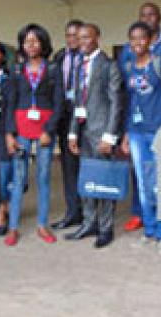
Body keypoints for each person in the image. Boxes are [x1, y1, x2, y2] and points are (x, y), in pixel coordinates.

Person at [120, 21, 161, 255]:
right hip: (136, 132)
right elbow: (129, 102)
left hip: (160, 131)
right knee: (144, 186)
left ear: (150, 41)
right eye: (133, 39)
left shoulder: (160, 63)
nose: (137, 43)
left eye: (142, 38)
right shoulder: (128, 67)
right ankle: (149, 231)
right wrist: (125, 132)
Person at [5, 23, 64, 246]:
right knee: (19, 178)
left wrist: (49, 130)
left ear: (43, 43)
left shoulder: (53, 69)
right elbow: (10, 102)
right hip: (21, 128)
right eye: (26, 41)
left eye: (35, 40)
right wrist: (10, 134)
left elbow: (58, 102)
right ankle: (13, 228)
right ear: (22, 44)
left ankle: (42, 225)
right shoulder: (16, 70)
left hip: (44, 129)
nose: (31, 45)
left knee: (43, 177)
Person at [65, 23, 124, 248]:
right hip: (83, 133)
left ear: (97, 38)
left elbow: (116, 103)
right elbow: (77, 102)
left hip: (102, 134)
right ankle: (89, 223)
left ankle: (106, 228)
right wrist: (72, 132)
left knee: (105, 181)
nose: (82, 43)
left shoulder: (110, 65)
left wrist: (110, 136)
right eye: (79, 39)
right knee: (88, 181)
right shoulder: (79, 65)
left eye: (86, 38)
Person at [51, 19, 85, 230]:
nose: (72, 39)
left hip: (86, 121)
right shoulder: (59, 57)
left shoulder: (91, 58)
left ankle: (92, 215)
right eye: (69, 35)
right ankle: (73, 213)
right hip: (64, 120)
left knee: (88, 167)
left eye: (76, 35)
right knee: (69, 168)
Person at [0, 41, 11, 236]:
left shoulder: (7, 81)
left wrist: (10, 134)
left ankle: (2, 211)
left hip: (1, 131)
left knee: (2, 172)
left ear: (1, 57)